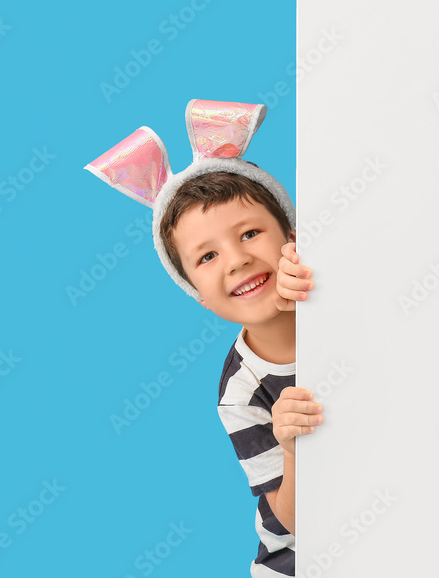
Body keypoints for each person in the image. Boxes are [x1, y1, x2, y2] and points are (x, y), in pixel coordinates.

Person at [85, 99, 322, 578]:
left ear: (292, 236)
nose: (236, 260)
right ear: (199, 296)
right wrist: (295, 451)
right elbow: (292, 523)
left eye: (251, 233)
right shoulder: (242, 388)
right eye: (207, 257)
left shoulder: (333, 291)